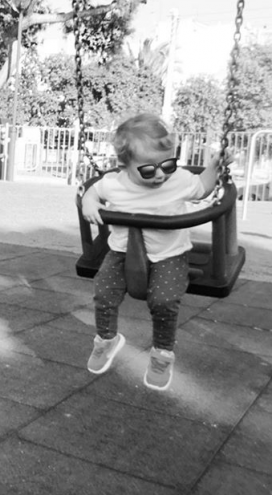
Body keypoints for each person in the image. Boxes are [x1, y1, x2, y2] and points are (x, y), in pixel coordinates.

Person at [82, 113, 230, 391]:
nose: (160, 174)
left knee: (164, 301)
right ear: (124, 166)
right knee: (103, 292)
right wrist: (89, 203)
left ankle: (162, 354)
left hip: (169, 254)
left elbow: (203, 188)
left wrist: (215, 165)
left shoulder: (179, 180)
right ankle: (106, 339)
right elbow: (92, 191)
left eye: (168, 164)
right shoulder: (114, 182)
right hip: (121, 252)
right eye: (148, 170)